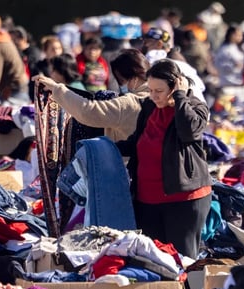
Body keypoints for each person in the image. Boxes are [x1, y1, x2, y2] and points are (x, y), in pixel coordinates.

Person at [116, 60, 211, 258]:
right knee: (153, 259)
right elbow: (138, 141)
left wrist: (180, 97)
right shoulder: (150, 107)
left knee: (183, 260)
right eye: (150, 90)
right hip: (147, 200)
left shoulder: (195, 107)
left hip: (183, 199)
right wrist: (108, 148)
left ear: (176, 85)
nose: (153, 96)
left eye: (158, 91)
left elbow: (189, 131)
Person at [34, 48, 150, 142]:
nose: (121, 85)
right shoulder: (159, 97)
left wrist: (56, 88)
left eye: (120, 80)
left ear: (133, 78)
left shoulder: (129, 103)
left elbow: (88, 111)